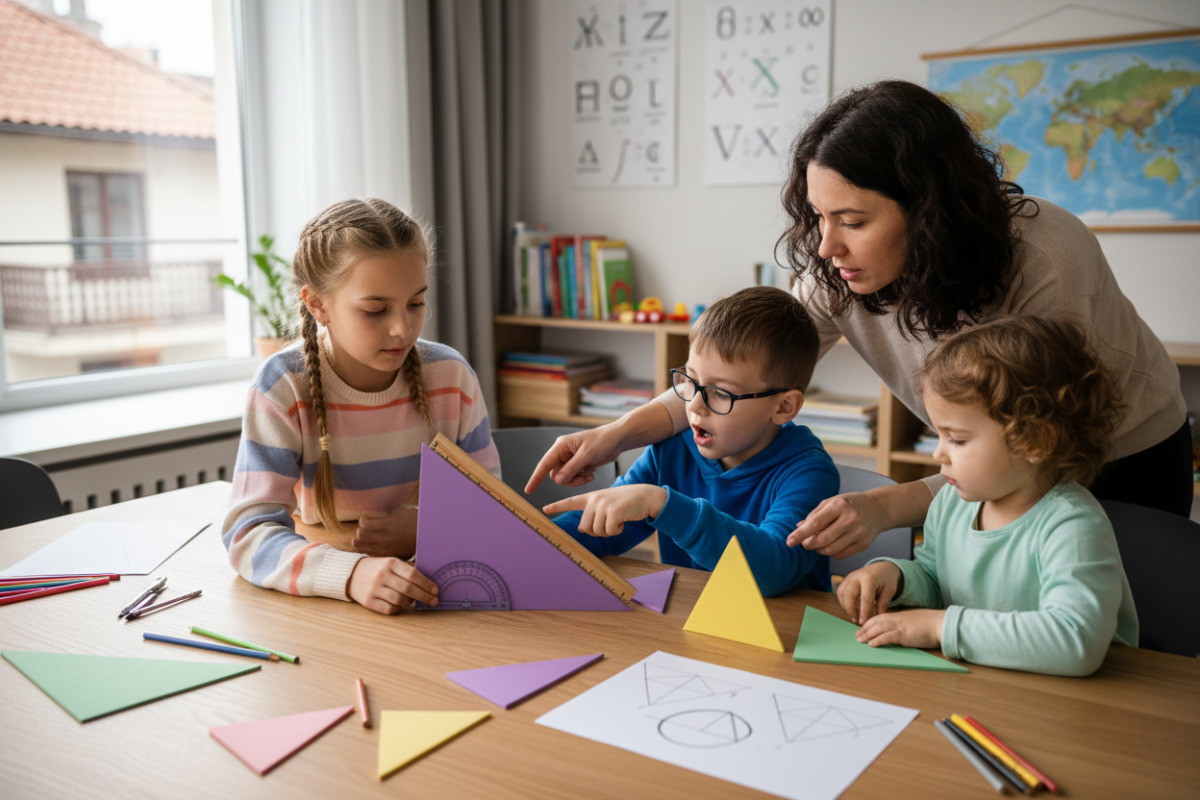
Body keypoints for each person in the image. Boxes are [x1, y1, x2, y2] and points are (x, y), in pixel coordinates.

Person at [526, 79, 1191, 566]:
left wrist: (888, 506)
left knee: (1120, 641)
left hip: (1116, 454)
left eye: (853, 221)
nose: (825, 246)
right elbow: (735, 376)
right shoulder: (837, 273)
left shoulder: (1043, 258)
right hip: (983, 465)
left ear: (928, 212)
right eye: (818, 217)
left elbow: (1030, 450)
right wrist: (615, 434)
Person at [221, 198, 500, 615]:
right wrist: (351, 574)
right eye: (375, 310)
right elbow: (248, 533)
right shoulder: (282, 384)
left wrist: (426, 529)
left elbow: (493, 510)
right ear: (318, 305)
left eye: (416, 303)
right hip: (331, 598)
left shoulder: (451, 376)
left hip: (433, 590)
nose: (402, 328)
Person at [838, 316, 1138, 676]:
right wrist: (897, 576)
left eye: (957, 439)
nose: (938, 454)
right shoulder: (952, 502)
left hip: (1083, 705)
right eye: (938, 435)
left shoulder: (1072, 525)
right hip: (989, 682)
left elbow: (1076, 641)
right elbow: (937, 580)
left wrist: (939, 627)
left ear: (1035, 442)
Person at [543, 286, 839, 596]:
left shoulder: (809, 473)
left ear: (783, 407)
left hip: (789, 636)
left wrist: (662, 504)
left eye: (721, 393)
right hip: (689, 630)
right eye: (690, 381)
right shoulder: (672, 450)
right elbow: (599, 530)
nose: (694, 407)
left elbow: (772, 570)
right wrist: (531, 539)